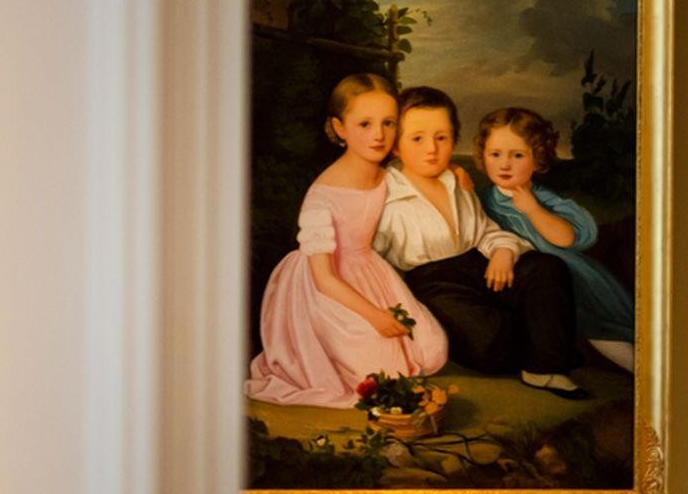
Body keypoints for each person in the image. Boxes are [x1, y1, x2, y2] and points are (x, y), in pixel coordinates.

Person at [372, 87, 588, 399]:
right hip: (433, 285)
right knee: (489, 340)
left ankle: (544, 368)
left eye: (442, 138)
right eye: (417, 138)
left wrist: (502, 250)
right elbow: (373, 262)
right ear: (395, 146)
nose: (431, 149)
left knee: (546, 268)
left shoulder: (456, 182)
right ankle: (543, 343)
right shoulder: (384, 195)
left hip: (479, 265)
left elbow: (485, 231)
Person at [247, 73, 448, 408]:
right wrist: (375, 316)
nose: (378, 135)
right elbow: (324, 279)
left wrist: (455, 173)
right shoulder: (323, 195)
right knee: (381, 370)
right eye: (365, 124)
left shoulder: (388, 174)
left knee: (432, 349)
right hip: (321, 288)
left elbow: (428, 176)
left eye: (388, 123)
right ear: (340, 128)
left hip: (369, 271)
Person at [472, 108, 636, 372]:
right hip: (522, 285)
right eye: (495, 154)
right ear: (483, 156)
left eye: (517, 155)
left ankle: (645, 375)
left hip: (573, 279)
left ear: (537, 158)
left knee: (601, 327)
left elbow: (569, 238)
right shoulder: (481, 202)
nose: (505, 164)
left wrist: (533, 210)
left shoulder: (544, 200)